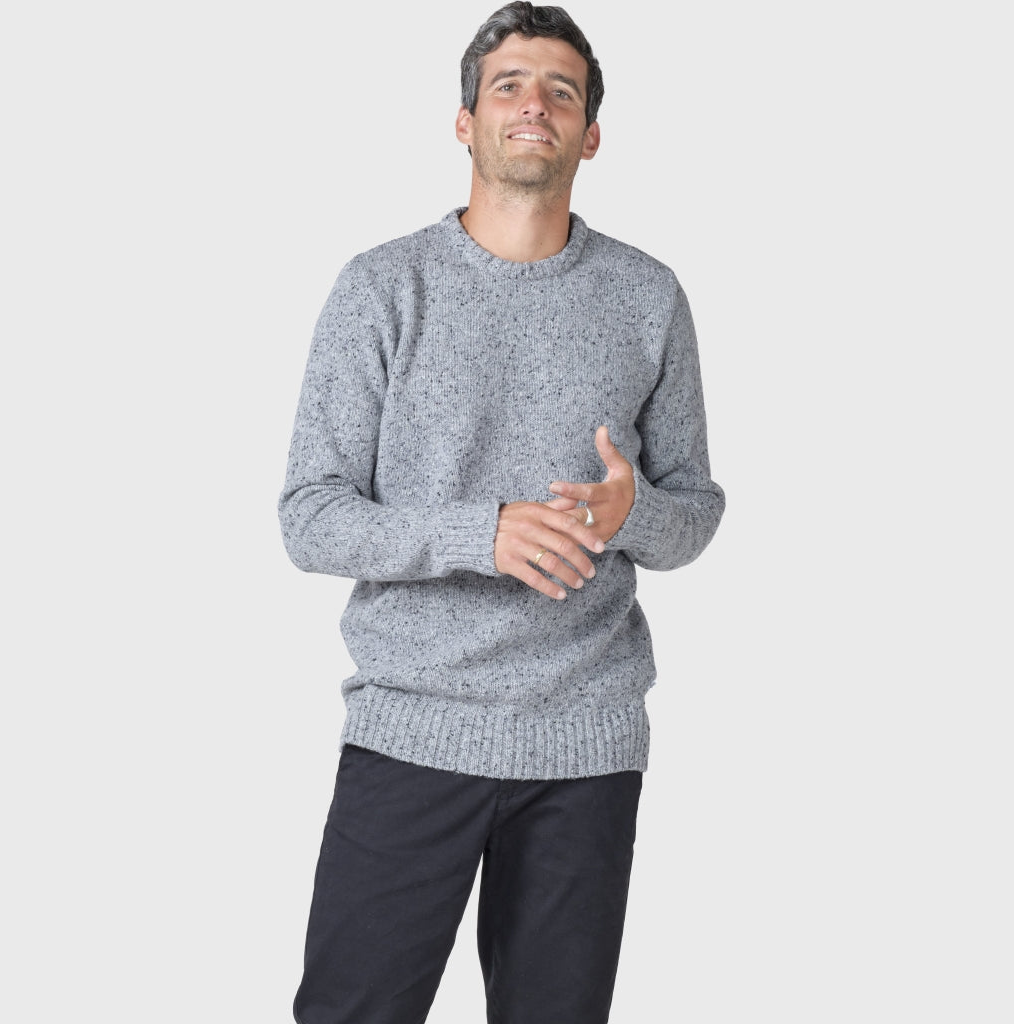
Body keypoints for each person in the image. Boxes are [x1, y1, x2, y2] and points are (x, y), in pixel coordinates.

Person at [278, 3, 725, 1021]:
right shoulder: (383, 287)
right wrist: (477, 532)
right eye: (510, 85)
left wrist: (630, 513)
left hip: (586, 745)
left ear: (590, 135)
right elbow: (309, 515)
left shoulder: (648, 297)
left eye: (561, 92)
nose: (535, 104)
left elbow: (695, 510)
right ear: (464, 122)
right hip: (411, 731)